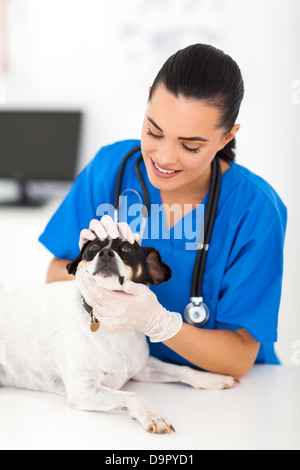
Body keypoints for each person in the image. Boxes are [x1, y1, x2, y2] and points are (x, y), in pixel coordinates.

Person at [39, 44, 287, 379]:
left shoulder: (255, 210)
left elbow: (238, 357)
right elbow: (55, 272)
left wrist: (156, 322)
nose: (165, 157)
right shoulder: (109, 170)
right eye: (154, 131)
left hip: (226, 393)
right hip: (124, 375)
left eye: (190, 145)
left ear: (226, 136)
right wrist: (99, 280)